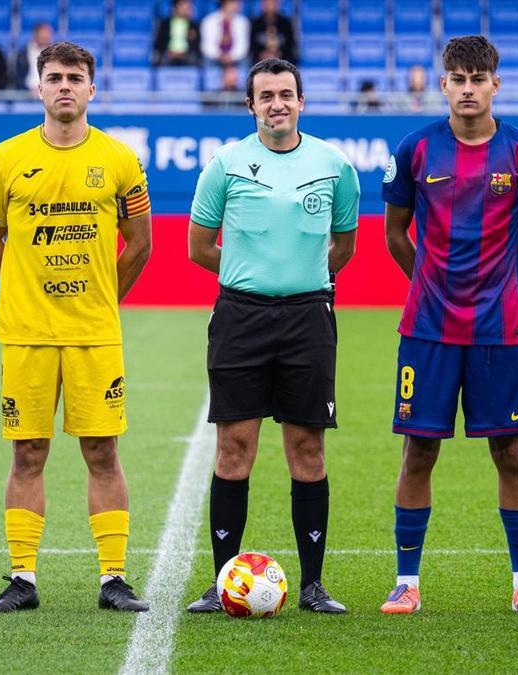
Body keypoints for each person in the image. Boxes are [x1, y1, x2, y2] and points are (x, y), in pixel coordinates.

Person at [379, 36, 518, 617]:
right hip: (427, 330)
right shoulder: (414, 149)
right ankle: (407, 582)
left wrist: (501, 291)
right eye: (457, 78)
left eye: (478, 79)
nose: (467, 89)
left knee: (510, 452)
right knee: (419, 452)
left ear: (495, 84)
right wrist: (429, 285)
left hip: (497, 332)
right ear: (443, 84)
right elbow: (395, 235)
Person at [0, 41, 153, 614]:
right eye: (54, 77)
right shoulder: (5, 156)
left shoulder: (121, 160)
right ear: (39, 86)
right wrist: (26, 289)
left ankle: (114, 578)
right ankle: (22, 578)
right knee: (28, 452)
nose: (65, 87)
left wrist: (104, 298)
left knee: (103, 450)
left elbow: (141, 244)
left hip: (94, 333)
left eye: (75, 78)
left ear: (92, 88)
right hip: (26, 333)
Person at [184, 57, 359, 614]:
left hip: (309, 319)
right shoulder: (226, 164)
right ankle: (220, 582)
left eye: (287, 94)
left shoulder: (334, 165)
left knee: (307, 449)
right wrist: (252, 279)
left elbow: (345, 244)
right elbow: (198, 246)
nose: (277, 103)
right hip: (240, 318)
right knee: (235, 449)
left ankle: (312, 586)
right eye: (266, 96)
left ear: (301, 101)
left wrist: (300, 281)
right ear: (251, 105)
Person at [201, 0, 250, 67]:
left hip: (235, 59)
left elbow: (243, 46)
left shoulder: (243, 22)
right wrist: (219, 55)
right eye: (235, 2)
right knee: (207, 60)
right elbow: (207, 46)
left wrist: (231, 57)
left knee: (245, 60)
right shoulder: (209, 21)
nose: (239, 5)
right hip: (215, 58)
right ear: (226, 3)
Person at [153, 0, 201, 66]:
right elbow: (159, 43)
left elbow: (197, 45)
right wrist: (169, 52)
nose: (188, 9)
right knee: (159, 59)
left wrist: (184, 53)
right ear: (175, 7)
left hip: (187, 55)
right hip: (168, 55)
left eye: (189, 7)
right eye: (184, 6)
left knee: (194, 59)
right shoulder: (164, 24)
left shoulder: (194, 26)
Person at [15, 22, 54, 91]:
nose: (47, 37)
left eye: (48, 34)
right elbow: (18, 76)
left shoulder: (55, 54)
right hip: (26, 92)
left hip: (49, 91)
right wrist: (28, 89)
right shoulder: (23, 54)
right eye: (44, 34)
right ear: (36, 35)